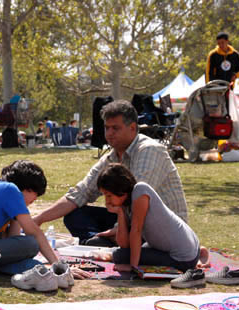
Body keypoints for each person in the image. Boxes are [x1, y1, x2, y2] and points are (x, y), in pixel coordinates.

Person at [34, 100, 187, 247]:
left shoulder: (150, 150)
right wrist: (39, 218)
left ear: (133, 128)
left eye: (115, 128)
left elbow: (137, 200)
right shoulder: (112, 157)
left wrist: (118, 229)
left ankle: (107, 243)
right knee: (75, 215)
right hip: (130, 220)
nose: (109, 133)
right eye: (107, 128)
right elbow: (81, 192)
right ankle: (103, 243)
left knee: (126, 217)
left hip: (162, 227)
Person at [0, 160, 90, 279]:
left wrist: (15, 219)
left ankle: (39, 270)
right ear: (27, 188)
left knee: (28, 259)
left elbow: (12, 242)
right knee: (31, 243)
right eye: (36, 194)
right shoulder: (9, 190)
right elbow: (33, 233)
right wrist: (58, 264)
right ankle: (53, 270)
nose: (34, 200)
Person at [95, 163, 203, 272]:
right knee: (122, 253)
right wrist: (120, 213)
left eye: (109, 195)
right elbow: (124, 244)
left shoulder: (140, 191)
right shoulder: (126, 205)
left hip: (183, 258)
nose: (107, 201)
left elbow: (136, 231)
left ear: (120, 189)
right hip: (178, 250)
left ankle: (199, 255)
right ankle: (200, 253)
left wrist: (133, 267)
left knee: (120, 256)